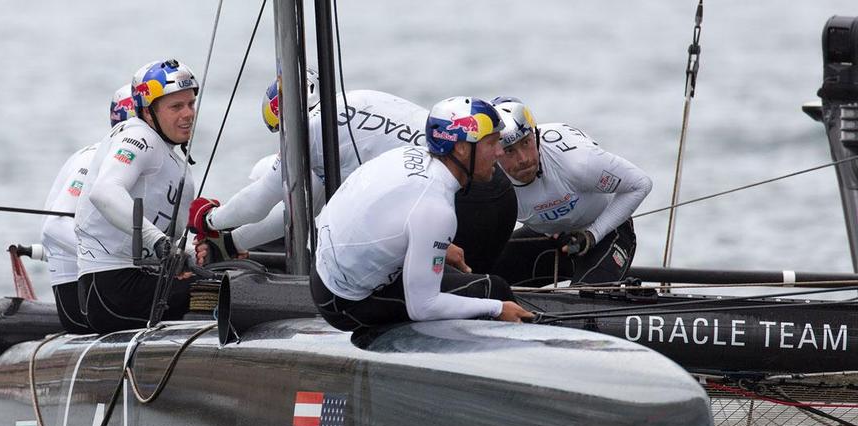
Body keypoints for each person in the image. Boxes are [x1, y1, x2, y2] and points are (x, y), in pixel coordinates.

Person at [309, 97, 533, 332]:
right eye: (492, 143)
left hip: (325, 268)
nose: (499, 152)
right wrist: (497, 308)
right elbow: (423, 307)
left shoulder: (408, 155)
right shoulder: (436, 209)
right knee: (492, 290)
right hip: (346, 305)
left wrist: (437, 246)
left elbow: (386, 213)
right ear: (461, 148)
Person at [190, 73, 429, 264]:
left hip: (430, 201)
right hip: (451, 179)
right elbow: (301, 210)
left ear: (283, 123)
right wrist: (232, 243)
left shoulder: (308, 131)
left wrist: (209, 219)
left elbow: (259, 202)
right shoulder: (353, 101)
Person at [74, 59, 198, 333]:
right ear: (148, 112)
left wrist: (193, 251)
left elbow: (173, 235)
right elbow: (105, 191)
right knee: (232, 291)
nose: (188, 114)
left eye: (190, 104)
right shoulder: (140, 137)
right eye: (176, 107)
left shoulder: (168, 153)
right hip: (113, 289)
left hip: (137, 282)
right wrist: (157, 241)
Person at [489, 97, 652, 286]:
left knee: (584, 298)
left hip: (606, 230)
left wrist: (592, 234)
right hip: (554, 235)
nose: (523, 159)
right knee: (483, 275)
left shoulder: (577, 163)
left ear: (535, 135)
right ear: (494, 153)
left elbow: (640, 183)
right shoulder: (487, 177)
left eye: (526, 143)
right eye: (509, 151)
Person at [40, 85, 135, 333]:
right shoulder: (92, 160)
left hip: (110, 284)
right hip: (78, 299)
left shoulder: (142, 162)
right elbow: (54, 226)